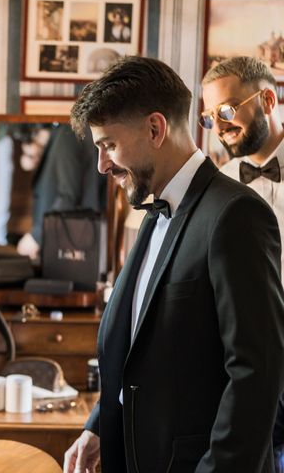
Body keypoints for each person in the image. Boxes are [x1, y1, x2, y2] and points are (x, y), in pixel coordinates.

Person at [64, 56, 284, 473]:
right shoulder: (154, 211)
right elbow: (142, 348)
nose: (102, 165)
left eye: (109, 145)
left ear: (155, 129)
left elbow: (255, 376)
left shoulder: (236, 214)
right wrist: (98, 426)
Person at [201, 56, 284, 472]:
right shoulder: (218, 186)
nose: (219, 126)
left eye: (228, 110)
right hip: (244, 369)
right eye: (210, 116)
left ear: (267, 99)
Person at [17, 123, 106, 260]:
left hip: (74, 241)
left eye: (30, 154)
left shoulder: (65, 136)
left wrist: (36, 236)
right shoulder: (58, 138)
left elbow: (68, 195)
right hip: (65, 239)